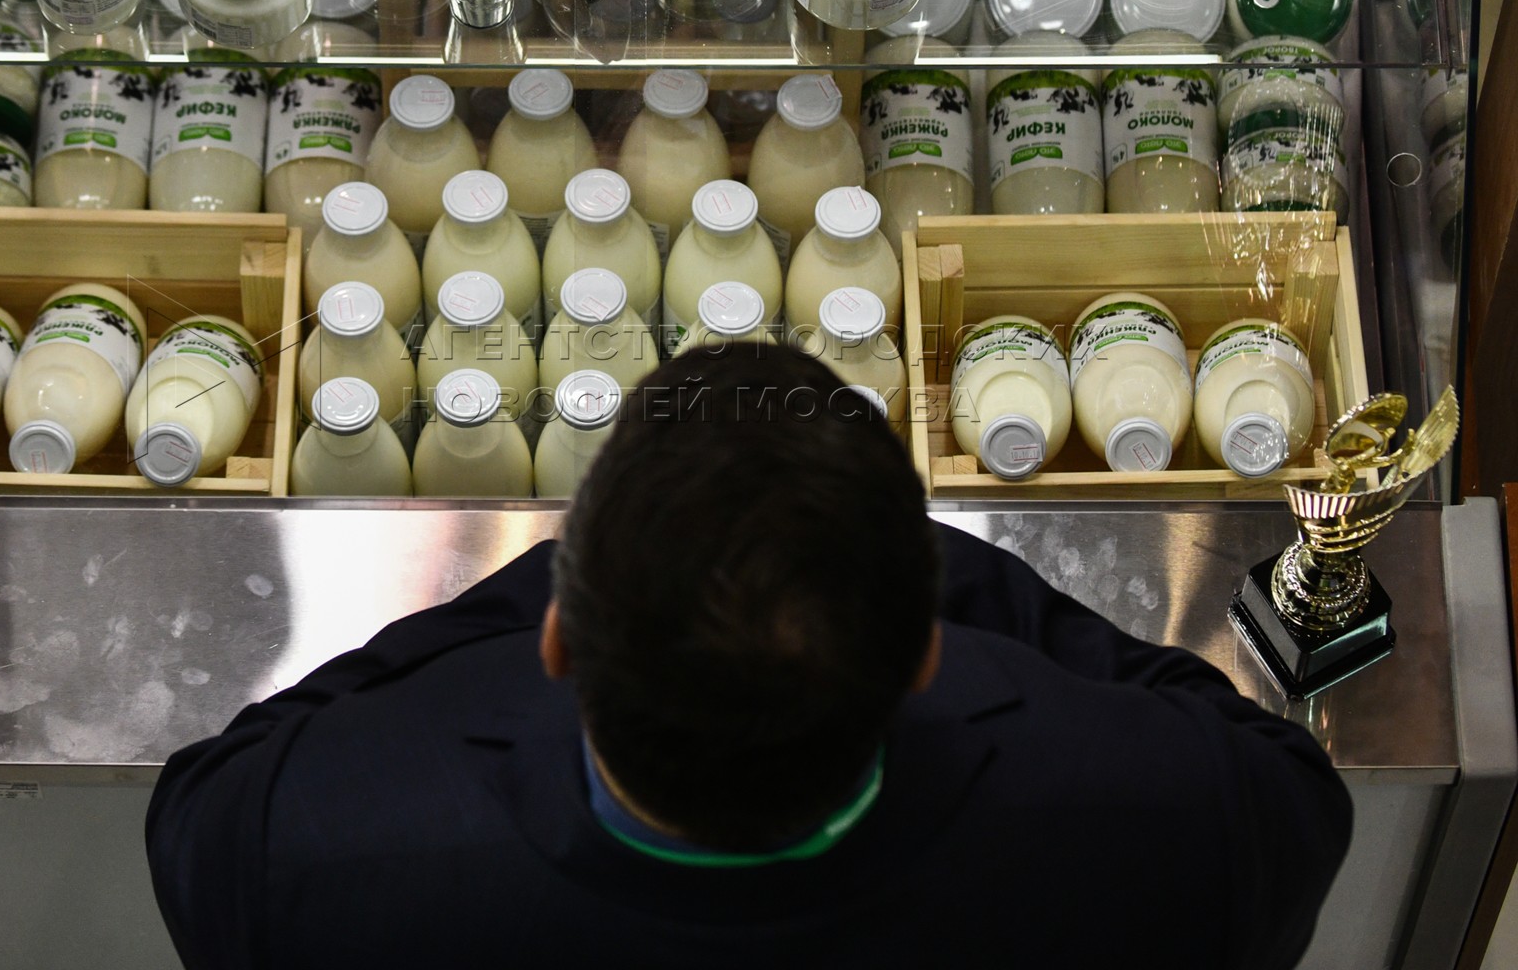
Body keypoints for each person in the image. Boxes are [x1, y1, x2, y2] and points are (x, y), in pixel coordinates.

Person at [147, 343, 1352, 968]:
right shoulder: (1169, 831)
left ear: (559, 637)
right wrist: (917, 562)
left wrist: (566, 565)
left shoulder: (309, 851)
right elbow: (1277, 773)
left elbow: (225, 777)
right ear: (921, 657)